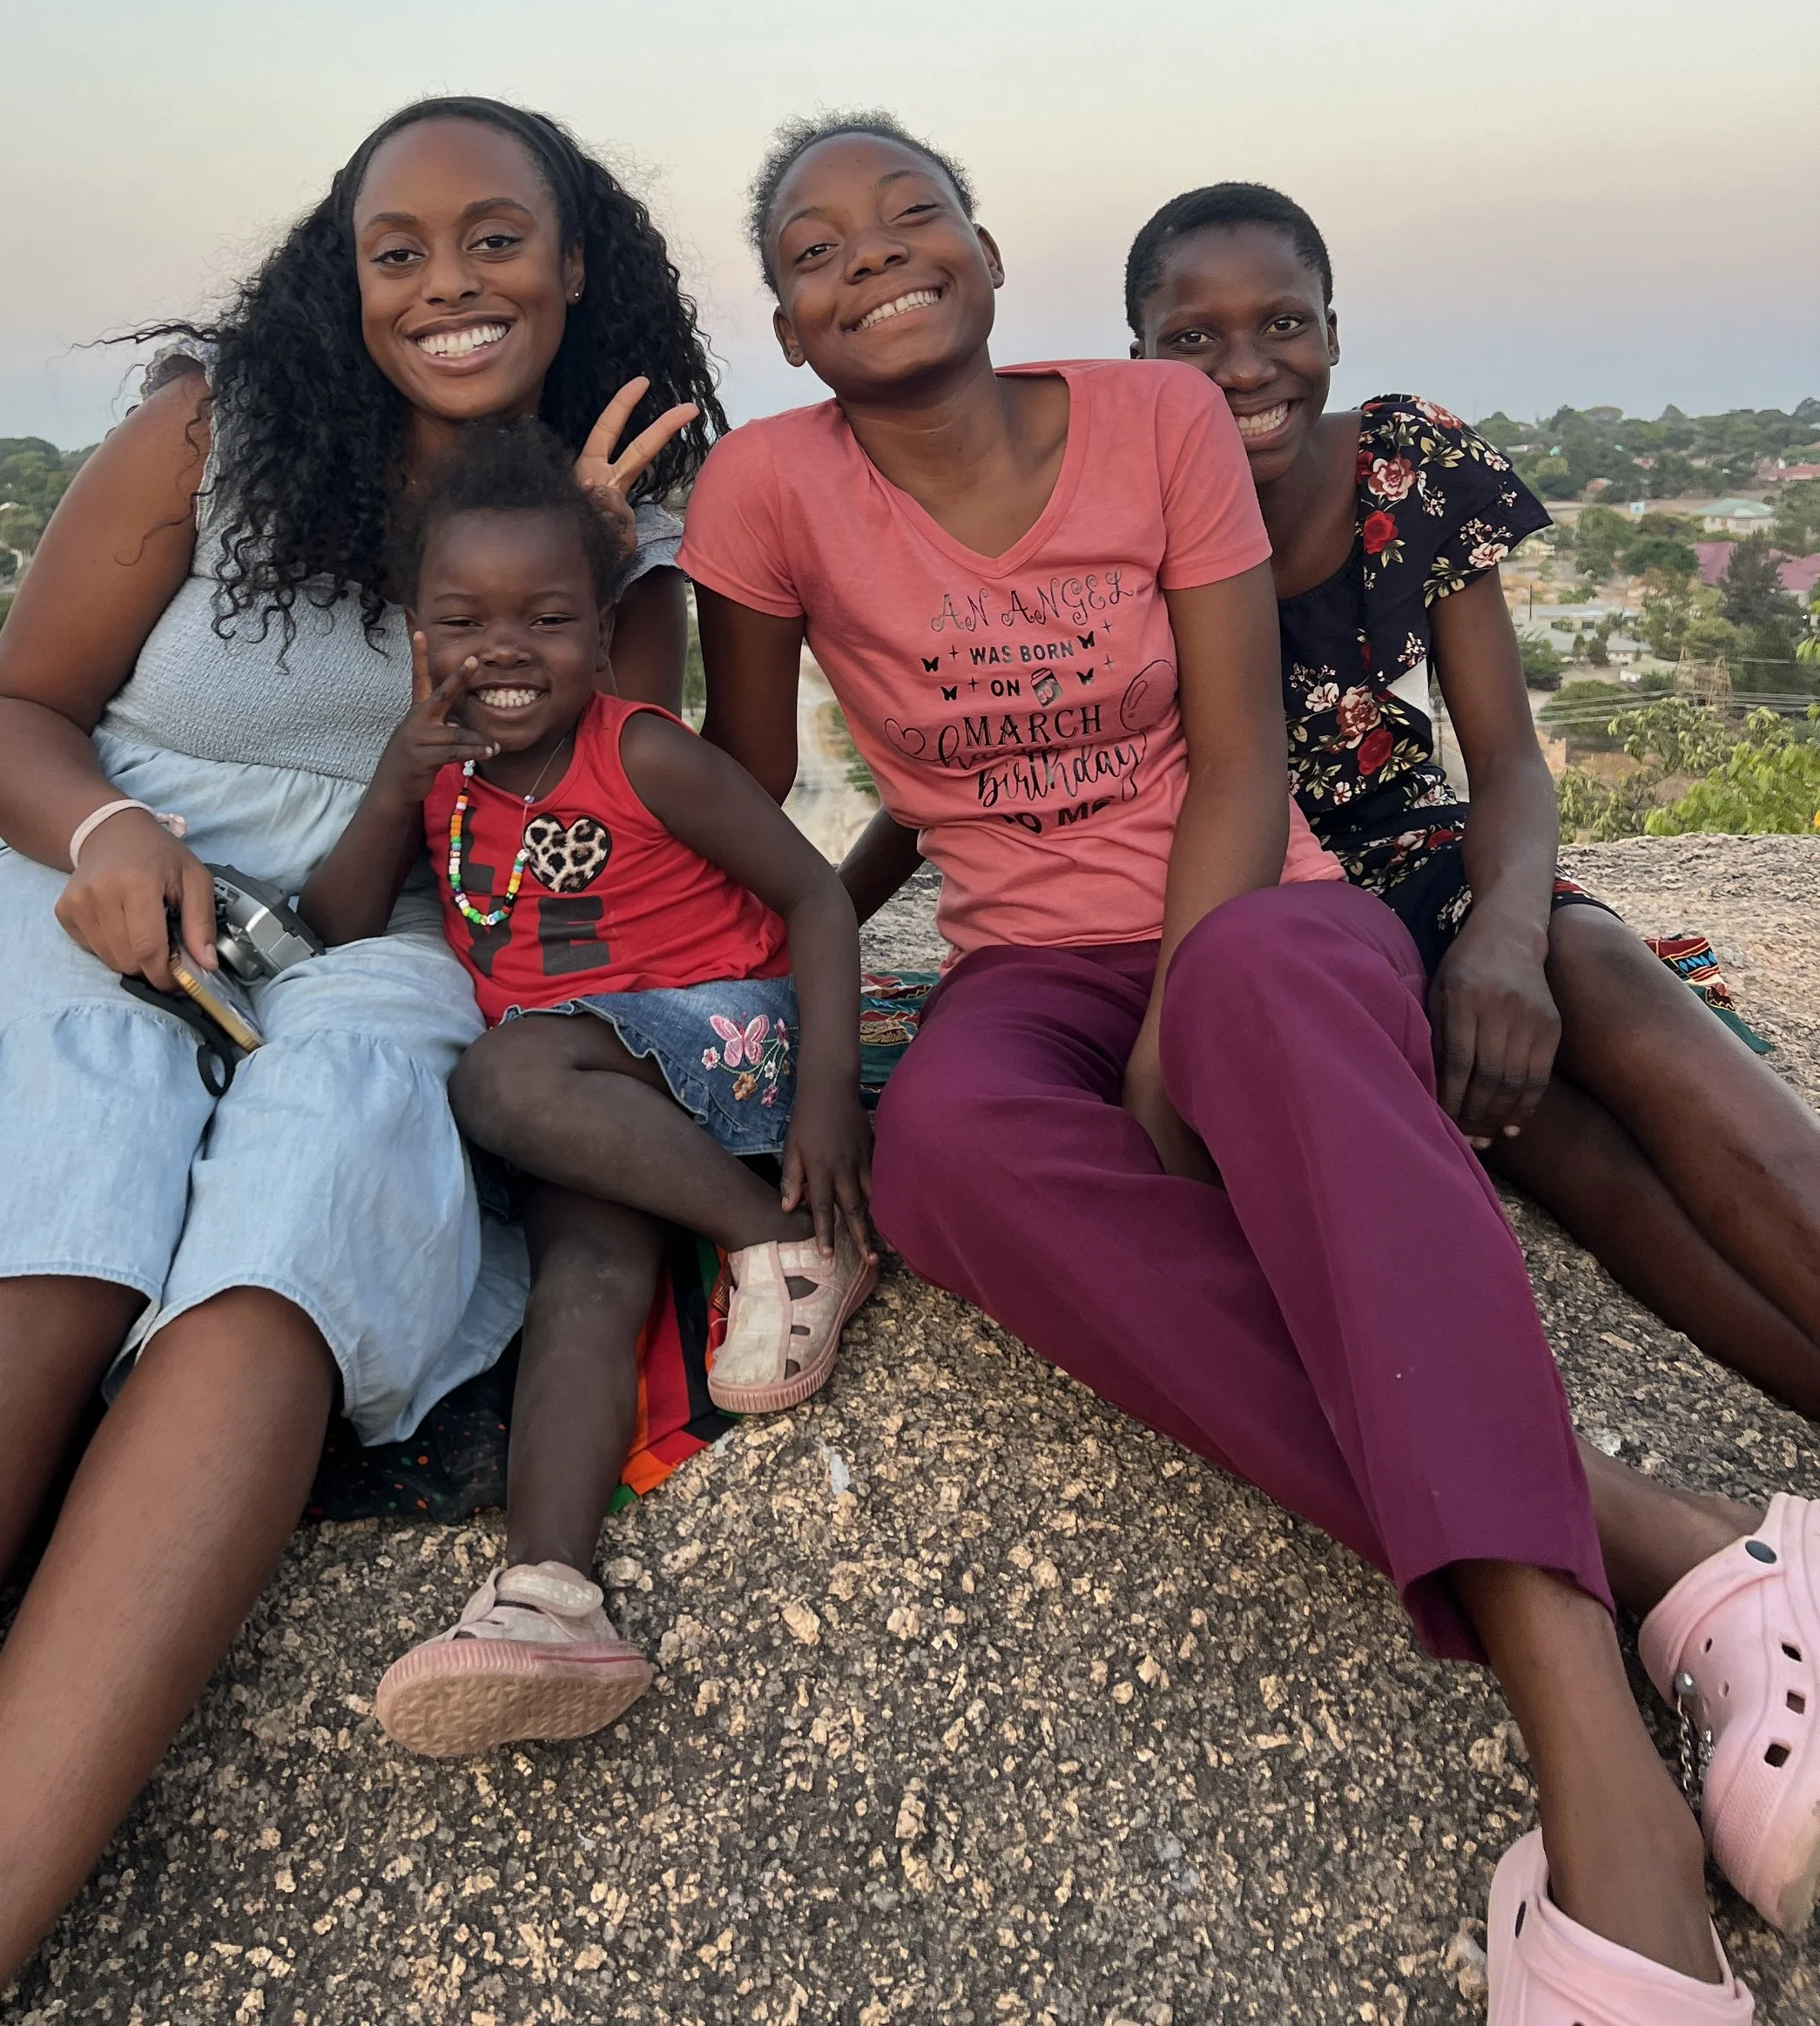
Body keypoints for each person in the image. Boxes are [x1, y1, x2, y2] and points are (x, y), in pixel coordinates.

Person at [683, 110, 1818, 2023]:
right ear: (787, 328)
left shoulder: (1150, 421)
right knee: (949, 1153)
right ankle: (1688, 1559)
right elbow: (745, 788)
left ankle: (1606, 1810)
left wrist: (1170, 1055)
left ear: (979, 248)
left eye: (909, 211)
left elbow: (1238, 756)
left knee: (1278, 993)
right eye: (812, 247)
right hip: (1019, 953)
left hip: (1255, 904)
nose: (869, 251)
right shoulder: (765, 491)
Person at [0, 98, 723, 2026]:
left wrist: (571, 550)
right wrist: (99, 839)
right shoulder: (217, 426)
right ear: (343, 269)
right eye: (397, 247)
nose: (447, 284)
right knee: (47, 1210)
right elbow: (16, 706)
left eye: (496, 239)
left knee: (279, 1264)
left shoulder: (625, 498)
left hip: (410, 921)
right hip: (117, 858)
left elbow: (586, 839)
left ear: (573, 264)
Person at [1122, 179, 1820, 1424]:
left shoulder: (1404, 461)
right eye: (1193, 338)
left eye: (1284, 322)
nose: (1247, 366)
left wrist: (1505, 935)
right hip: (1262, 912)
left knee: (1595, 978)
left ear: (1334, 330)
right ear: (1139, 358)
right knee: (1566, 1152)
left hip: (1420, 853)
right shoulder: (1107, 501)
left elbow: (1504, 759)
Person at [297, 420, 873, 1757]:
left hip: (727, 1048)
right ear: (415, 639)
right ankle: (546, 1593)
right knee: (582, 1287)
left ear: (606, 640)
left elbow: (816, 897)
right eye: (463, 621)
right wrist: (395, 779)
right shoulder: (439, 786)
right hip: (598, 1103)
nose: (505, 649)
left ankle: (780, 1236)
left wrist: (828, 1101)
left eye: (548, 619)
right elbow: (335, 924)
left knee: (498, 1077)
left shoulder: (644, 752)